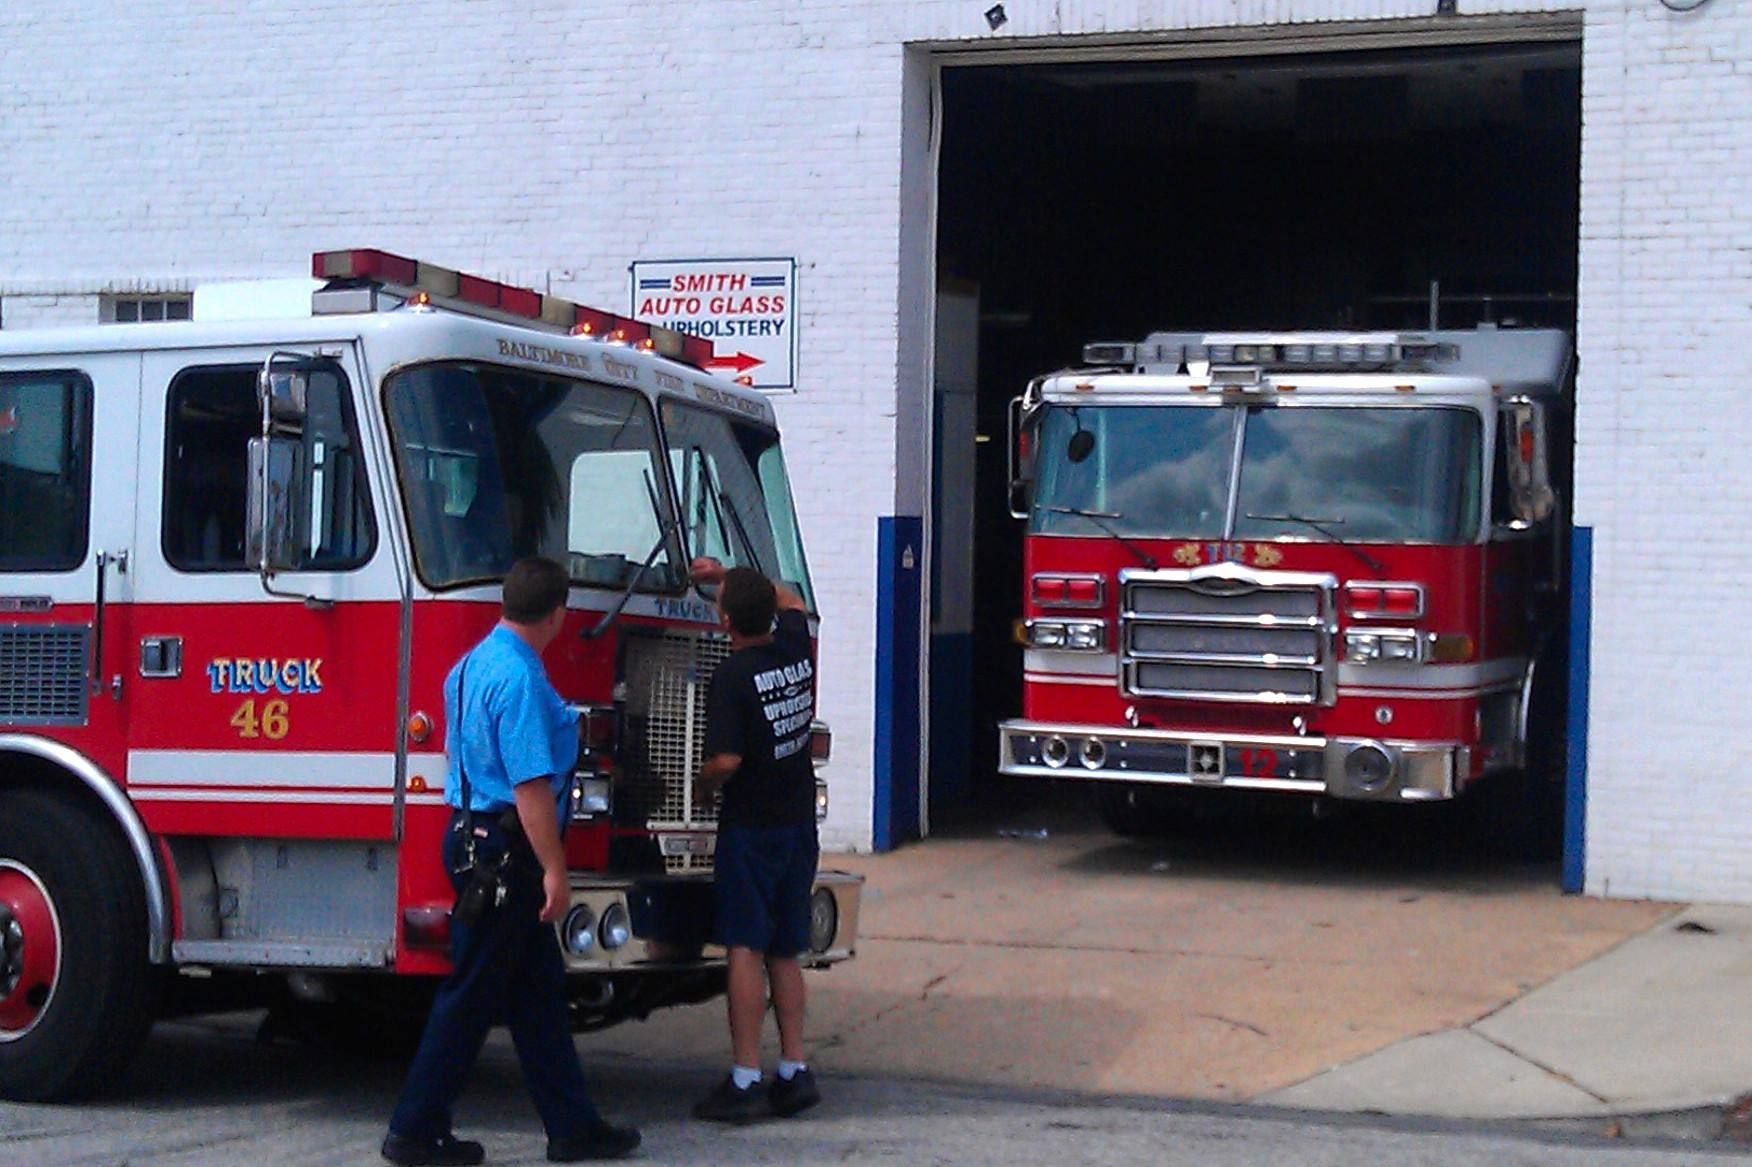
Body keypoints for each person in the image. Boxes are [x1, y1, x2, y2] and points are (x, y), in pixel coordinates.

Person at [383, 556, 640, 1166]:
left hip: (471, 836)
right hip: (508, 852)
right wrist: (555, 867)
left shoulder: (470, 666)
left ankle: (573, 1126)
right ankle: (415, 1127)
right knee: (472, 993)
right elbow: (529, 786)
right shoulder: (522, 680)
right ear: (558, 614)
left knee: (538, 994)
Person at [688, 556, 823, 1124]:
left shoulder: (732, 677)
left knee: (745, 947)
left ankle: (744, 1077)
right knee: (785, 950)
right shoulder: (795, 649)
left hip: (751, 831)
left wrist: (700, 784)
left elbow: (727, 759)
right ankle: (793, 1069)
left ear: (724, 623)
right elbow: (791, 597)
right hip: (799, 826)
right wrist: (732, 576)